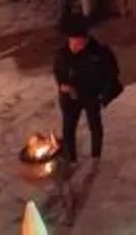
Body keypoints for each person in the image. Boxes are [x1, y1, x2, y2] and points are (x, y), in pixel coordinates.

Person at [52, 26, 123, 165]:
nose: (76, 46)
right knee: (68, 127)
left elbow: (112, 73)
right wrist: (62, 85)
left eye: (79, 43)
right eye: (74, 43)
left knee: (95, 124)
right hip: (70, 97)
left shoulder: (98, 53)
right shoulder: (61, 54)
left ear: (85, 41)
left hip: (91, 95)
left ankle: (96, 154)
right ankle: (70, 156)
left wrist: (103, 94)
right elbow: (58, 72)